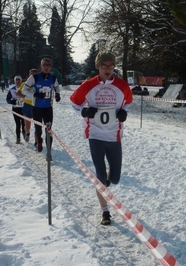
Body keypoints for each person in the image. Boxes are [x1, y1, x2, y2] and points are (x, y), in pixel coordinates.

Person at [70, 51, 133, 225]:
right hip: (95, 134)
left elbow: (128, 102)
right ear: (98, 66)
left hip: (114, 135)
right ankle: (105, 212)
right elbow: (74, 103)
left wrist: (123, 113)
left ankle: (106, 176)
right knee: (99, 176)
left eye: (111, 65)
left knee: (114, 178)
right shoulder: (88, 85)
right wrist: (84, 111)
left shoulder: (122, 85)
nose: (108, 69)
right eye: (104, 65)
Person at [21, 58, 61, 158]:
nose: (47, 67)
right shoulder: (34, 77)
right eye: (45, 65)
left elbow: (56, 87)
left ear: (51, 67)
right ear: (41, 66)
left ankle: (49, 152)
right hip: (36, 107)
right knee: (38, 129)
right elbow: (24, 90)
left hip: (48, 108)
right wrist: (35, 94)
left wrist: (57, 94)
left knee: (49, 130)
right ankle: (39, 140)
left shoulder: (53, 78)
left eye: (49, 65)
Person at [16, 69, 38, 144]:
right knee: (27, 125)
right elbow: (18, 93)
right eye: (31, 74)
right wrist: (24, 97)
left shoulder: (38, 83)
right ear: (29, 75)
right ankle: (27, 133)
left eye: (35, 74)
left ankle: (36, 142)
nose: (33, 76)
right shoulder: (24, 84)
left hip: (36, 105)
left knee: (37, 125)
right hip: (27, 105)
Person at [6, 75, 25, 144]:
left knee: (24, 123)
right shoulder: (12, 90)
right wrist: (12, 101)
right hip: (15, 108)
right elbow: (7, 99)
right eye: (16, 80)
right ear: (14, 81)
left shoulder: (24, 88)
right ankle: (18, 138)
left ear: (21, 81)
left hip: (23, 108)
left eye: (19, 80)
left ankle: (24, 132)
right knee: (17, 124)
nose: (17, 82)